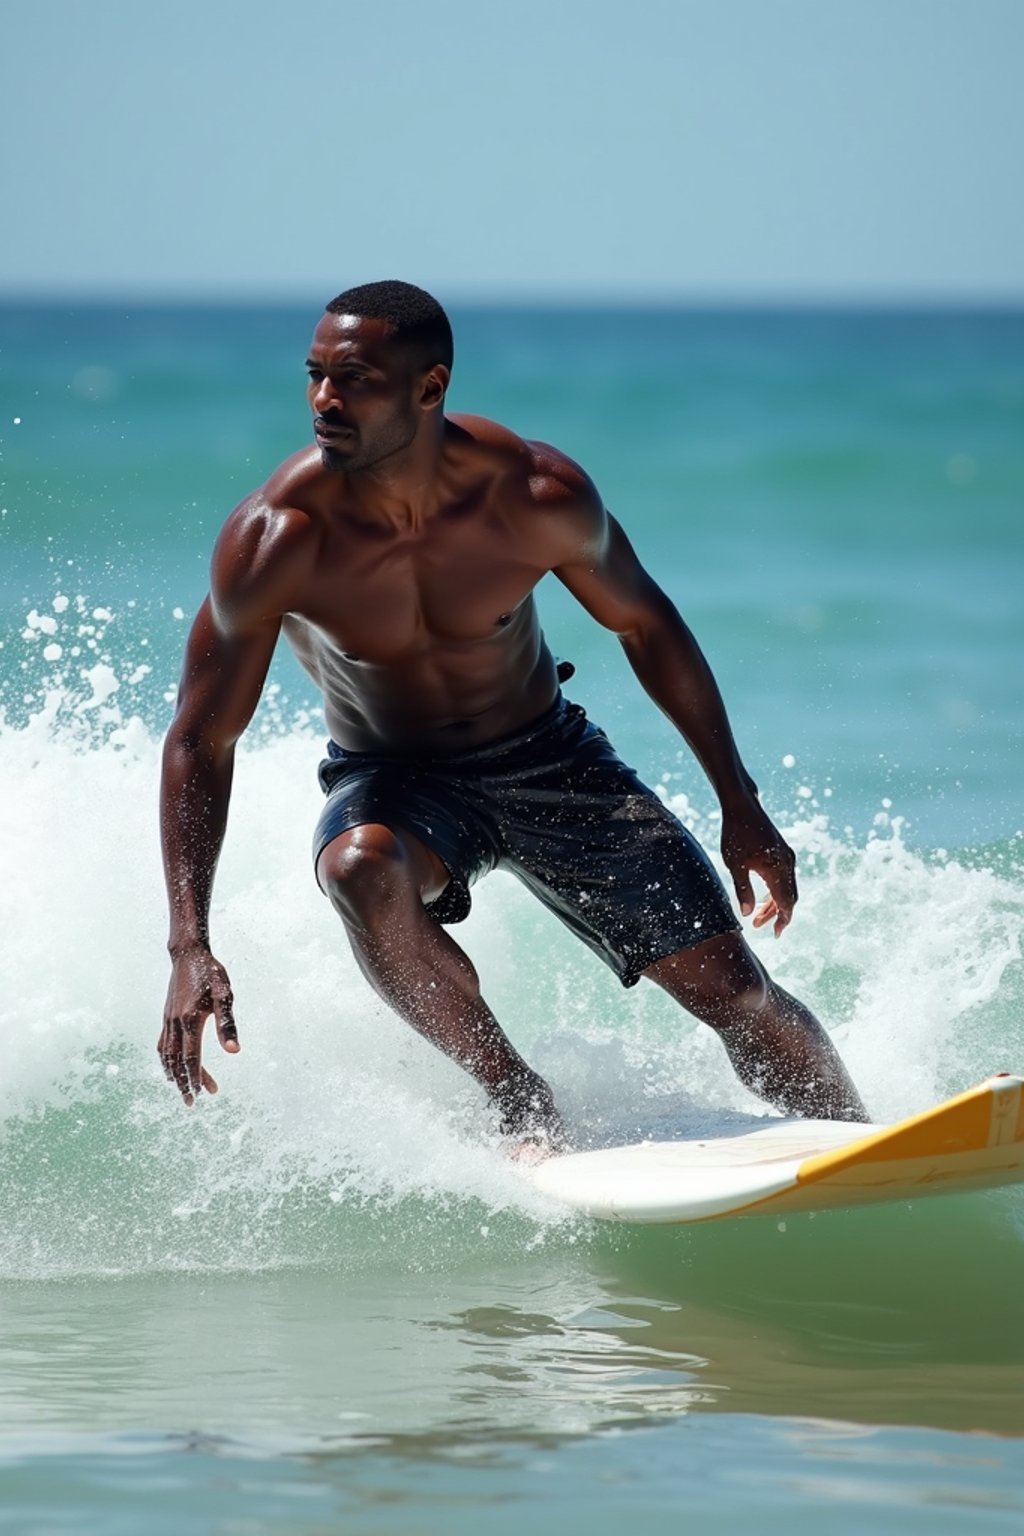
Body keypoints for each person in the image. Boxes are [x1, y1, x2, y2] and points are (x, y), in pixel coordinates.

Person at [159, 280, 867, 1150]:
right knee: (357, 869)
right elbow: (202, 735)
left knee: (734, 989)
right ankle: (517, 1098)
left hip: (550, 757)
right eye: (314, 376)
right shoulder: (276, 539)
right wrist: (189, 943)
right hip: (394, 777)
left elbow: (646, 625)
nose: (324, 401)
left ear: (430, 387)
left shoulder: (533, 495)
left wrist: (740, 802)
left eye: (353, 380)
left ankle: (860, 1138)